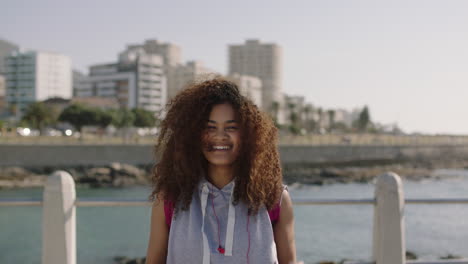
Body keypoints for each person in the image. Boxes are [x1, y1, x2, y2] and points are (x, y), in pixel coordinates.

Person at [146, 77, 299, 264]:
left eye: (231, 127)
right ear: (191, 134)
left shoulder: (274, 198)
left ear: (248, 135)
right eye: (209, 127)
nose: (220, 136)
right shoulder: (169, 198)